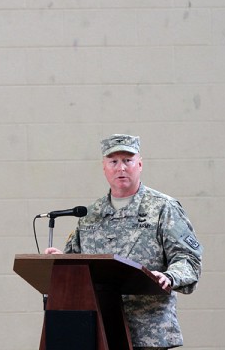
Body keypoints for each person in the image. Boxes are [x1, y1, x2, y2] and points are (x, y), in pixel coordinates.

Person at [45, 134, 203, 350]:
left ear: (139, 164)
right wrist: (62, 262)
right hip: (98, 331)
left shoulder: (163, 208)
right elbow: (77, 263)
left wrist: (169, 276)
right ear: (104, 167)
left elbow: (188, 258)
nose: (121, 168)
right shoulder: (90, 214)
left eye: (127, 161)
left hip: (148, 331)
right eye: (114, 162)